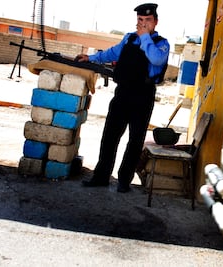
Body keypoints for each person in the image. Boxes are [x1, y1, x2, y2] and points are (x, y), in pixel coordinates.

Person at [76, 3, 170, 192]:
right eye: (140, 21)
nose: (143, 25)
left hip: (143, 96)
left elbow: (156, 60)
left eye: (147, 21)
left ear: (155, 22)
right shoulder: (129, 38)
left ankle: (124, 181)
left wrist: (145, 38)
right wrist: (91, 58)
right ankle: (101, 176)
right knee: (110, 136)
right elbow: (112, 53)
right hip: (123, 93)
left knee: (135, 140)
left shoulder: (161, 44)